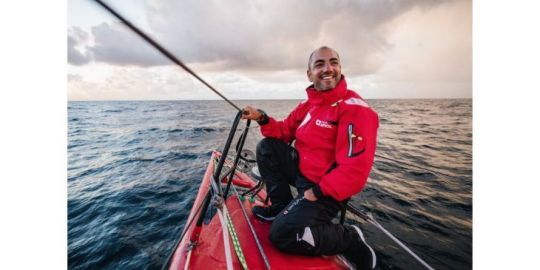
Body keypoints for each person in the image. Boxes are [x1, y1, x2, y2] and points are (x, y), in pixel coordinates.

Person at [242, 46, 379, 269]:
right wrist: (262, 117)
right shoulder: (308, 105)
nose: (328, 68)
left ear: (340, 68)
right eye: (319, 64)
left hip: (326, 189)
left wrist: (316, 192)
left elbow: (354, 171)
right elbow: (283, 131)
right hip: (303, 174)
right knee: (267, 147)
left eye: (333, 62)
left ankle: (349, 239)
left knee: (282, 234)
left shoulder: (356, 109)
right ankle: (281, 204)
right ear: (309, 74)